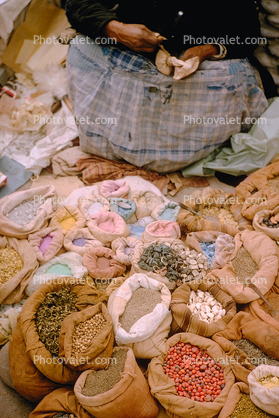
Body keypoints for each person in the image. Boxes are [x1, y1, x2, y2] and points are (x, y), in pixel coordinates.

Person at [64, 0, 275, 173]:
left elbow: (247, 35)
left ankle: (170, 149)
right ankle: (119, 137)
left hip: (195, 75)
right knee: (82, 46)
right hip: (129, 59)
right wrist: (116, 29)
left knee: (235, 74)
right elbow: (78, 4)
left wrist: (207, 50)